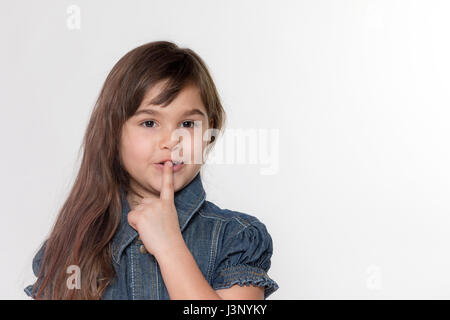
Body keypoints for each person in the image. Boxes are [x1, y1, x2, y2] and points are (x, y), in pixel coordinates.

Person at [24, 41, 279, 299]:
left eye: (188, 123)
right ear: (114, 132)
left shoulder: (236, 238)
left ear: (209, 131)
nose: (171, 140)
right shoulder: (70, 249)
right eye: (149, 123)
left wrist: (170, 246)